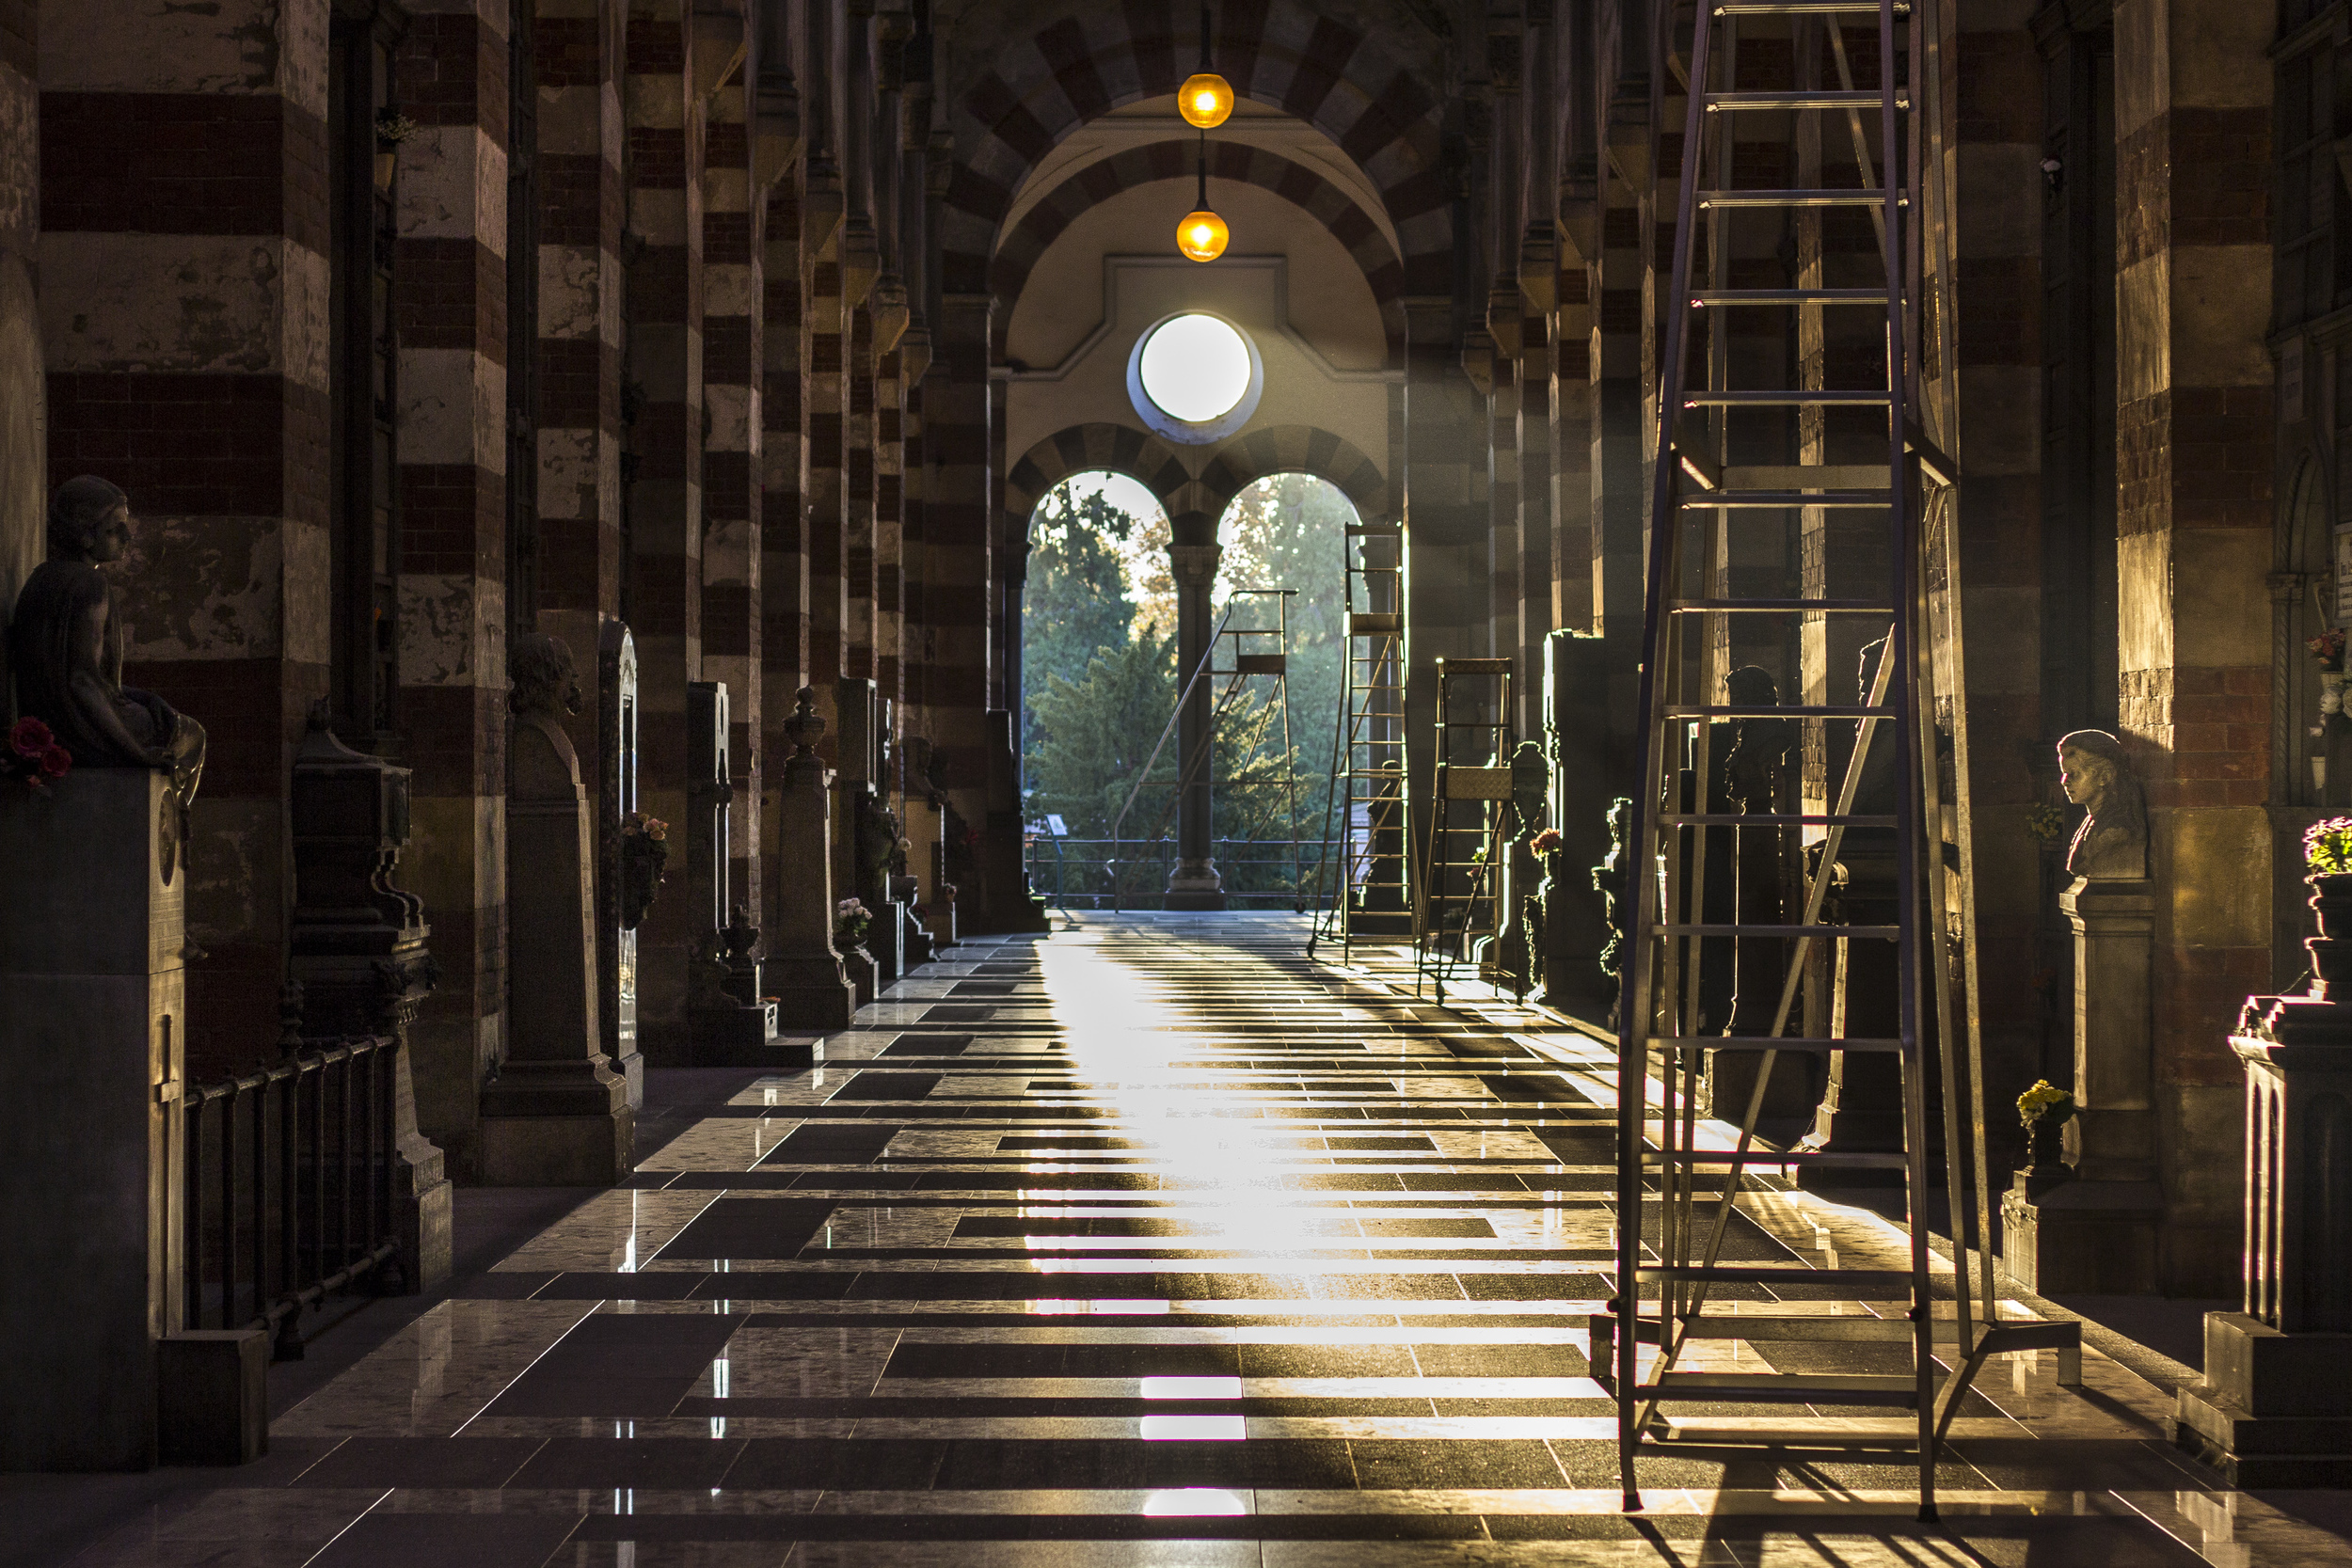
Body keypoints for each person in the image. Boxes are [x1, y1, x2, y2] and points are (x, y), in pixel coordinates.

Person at [6, 475, 205, 813]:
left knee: (152, 707)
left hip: (48, 719)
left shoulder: (41, 578)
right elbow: (82, 680)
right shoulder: (90, 585)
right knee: (189, 734)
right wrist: (132, 751)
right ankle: (173, 819)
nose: (128, 537)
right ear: (86, 534)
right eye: (115, 529)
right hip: (81, 728)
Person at [2057, 728, 2147, 879]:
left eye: (2073, 774)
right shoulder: (2094, 819)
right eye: (2064, 773)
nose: (2064, 781)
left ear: (2104, 776)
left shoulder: (2116, 830)